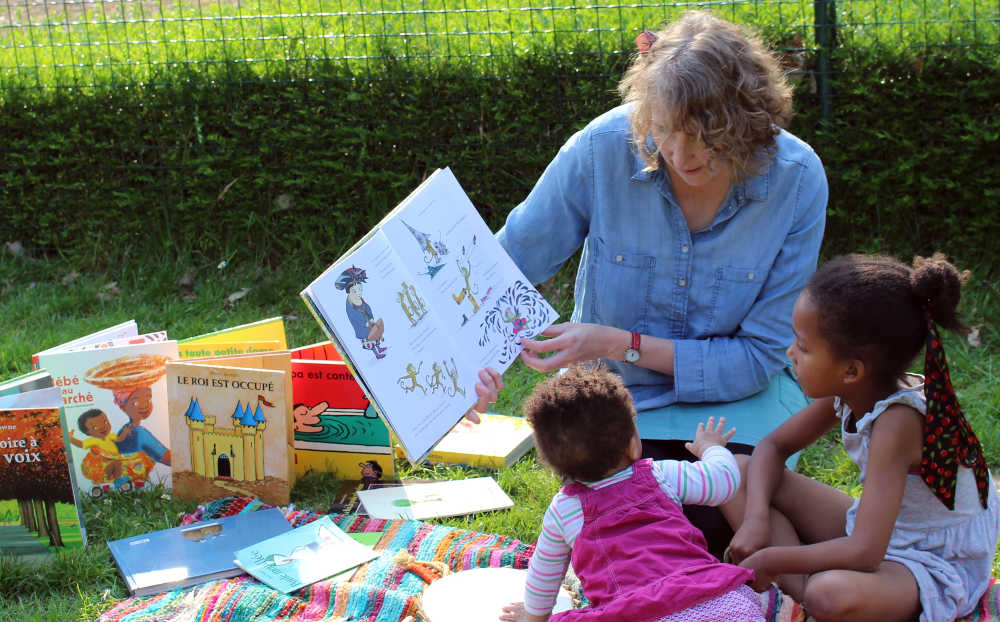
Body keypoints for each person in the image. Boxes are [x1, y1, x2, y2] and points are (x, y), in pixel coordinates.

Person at [493, 10, 828, 556]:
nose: (679, 152)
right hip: (617, 401)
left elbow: (759, 357)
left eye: (704, 137)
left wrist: (614, 343)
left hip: (736, 397)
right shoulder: (602, 147)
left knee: (710, 530)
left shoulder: (796, 179)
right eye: (665, 128)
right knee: (643, 531)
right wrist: (466, 371)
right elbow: (507, 268)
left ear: (749, 124)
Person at [721, 253, 1000, 622]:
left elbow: (865, 551)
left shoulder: (898, 422)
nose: (791, 353)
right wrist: (756, 517)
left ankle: (803, 595)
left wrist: (774, 557)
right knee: (737, 471)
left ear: (851, 370)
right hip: (888, 532)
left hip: (933, 559)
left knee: (828, 594)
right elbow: (773, 447)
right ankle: (798, 578)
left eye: (803, 347)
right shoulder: (853, 392)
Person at [499, 365, 763, 622]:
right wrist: (711, 448)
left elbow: (542, 579)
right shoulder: (661, 476)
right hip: (718, 603)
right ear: (634, 445)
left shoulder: (563, 510)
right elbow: (723, 482)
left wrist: (533, 619)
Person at [113, 385, 171, 466]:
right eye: (136, 403)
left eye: (149, 399)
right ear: (123, 406)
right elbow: (168, 458)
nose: (144, 406)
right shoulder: (139, 433)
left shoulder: (125, 428)